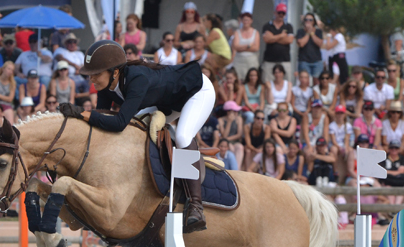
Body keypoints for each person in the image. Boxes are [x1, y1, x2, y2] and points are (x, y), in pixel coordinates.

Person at [60, 40, 215, 232]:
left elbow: (117, 124)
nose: (91, 79)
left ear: (115, 72)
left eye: (96, 74)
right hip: (168, 102)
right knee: (136, 125)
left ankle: (196, 206)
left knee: (183, 136)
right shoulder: (106, 88)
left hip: (196, 91)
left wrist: (82, 113)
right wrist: (79, 119)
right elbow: (101, 124)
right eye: (90, 74)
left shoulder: (137, 79)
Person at [261, 4, 294, 83]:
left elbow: (289, 40)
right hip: (269, 60)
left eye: (283, 13)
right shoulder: (267, 26)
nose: (281, 15)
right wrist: (281, 36)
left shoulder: (288, 26)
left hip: (284, 60)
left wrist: (273, 37)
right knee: (267, 83)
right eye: (279, 13)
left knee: (287, 83)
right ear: (275, 13)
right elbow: (266, 40)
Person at [232, 12, 260, 82]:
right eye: (244, 20)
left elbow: (256, 48)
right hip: (239, 61)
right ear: (241, 21)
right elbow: (235, 47)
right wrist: (248, 46)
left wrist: (241, 47)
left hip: (251, 61)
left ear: (251, 21)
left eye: (248, 20)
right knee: (239, 79)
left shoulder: (255, 32)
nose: (246, 22)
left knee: (251, 79)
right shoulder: (237, 32)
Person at [296, 13, 323, 80]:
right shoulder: (300, 31)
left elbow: (320, 44)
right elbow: (301, 44)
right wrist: (308, 33)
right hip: (304, 61)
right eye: (306, 19)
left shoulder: (318, 31)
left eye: (310, 19)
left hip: (317, 61)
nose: (308, 21)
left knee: (317, 82)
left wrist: (312, 33)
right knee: (305, 81)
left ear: (314, 22)